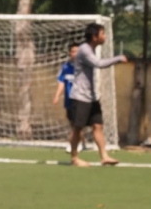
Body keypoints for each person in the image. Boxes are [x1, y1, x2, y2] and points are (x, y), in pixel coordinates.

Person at [69, 23, 127, 167]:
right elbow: (99, 64)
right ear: (95, 37)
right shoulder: (84, 49)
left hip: (92, 97)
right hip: (80, 96)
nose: (105, 36)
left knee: (98, 126)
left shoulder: (91, 48)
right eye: (102, 33)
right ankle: (75, 158)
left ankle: (104, 156)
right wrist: (118, 58)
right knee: (78, 128)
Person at [52, 43, 85, 152]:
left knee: (77, 123)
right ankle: (81, 141)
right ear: (70, 53)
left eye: (78, 51)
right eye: (73, 51)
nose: (75, 54)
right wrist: (57, 96)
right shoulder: (65, 66)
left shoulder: (85, 66)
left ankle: (75, 144)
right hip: (69, 99)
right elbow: (62, 82)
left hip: (81, 99)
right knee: (72, 122)